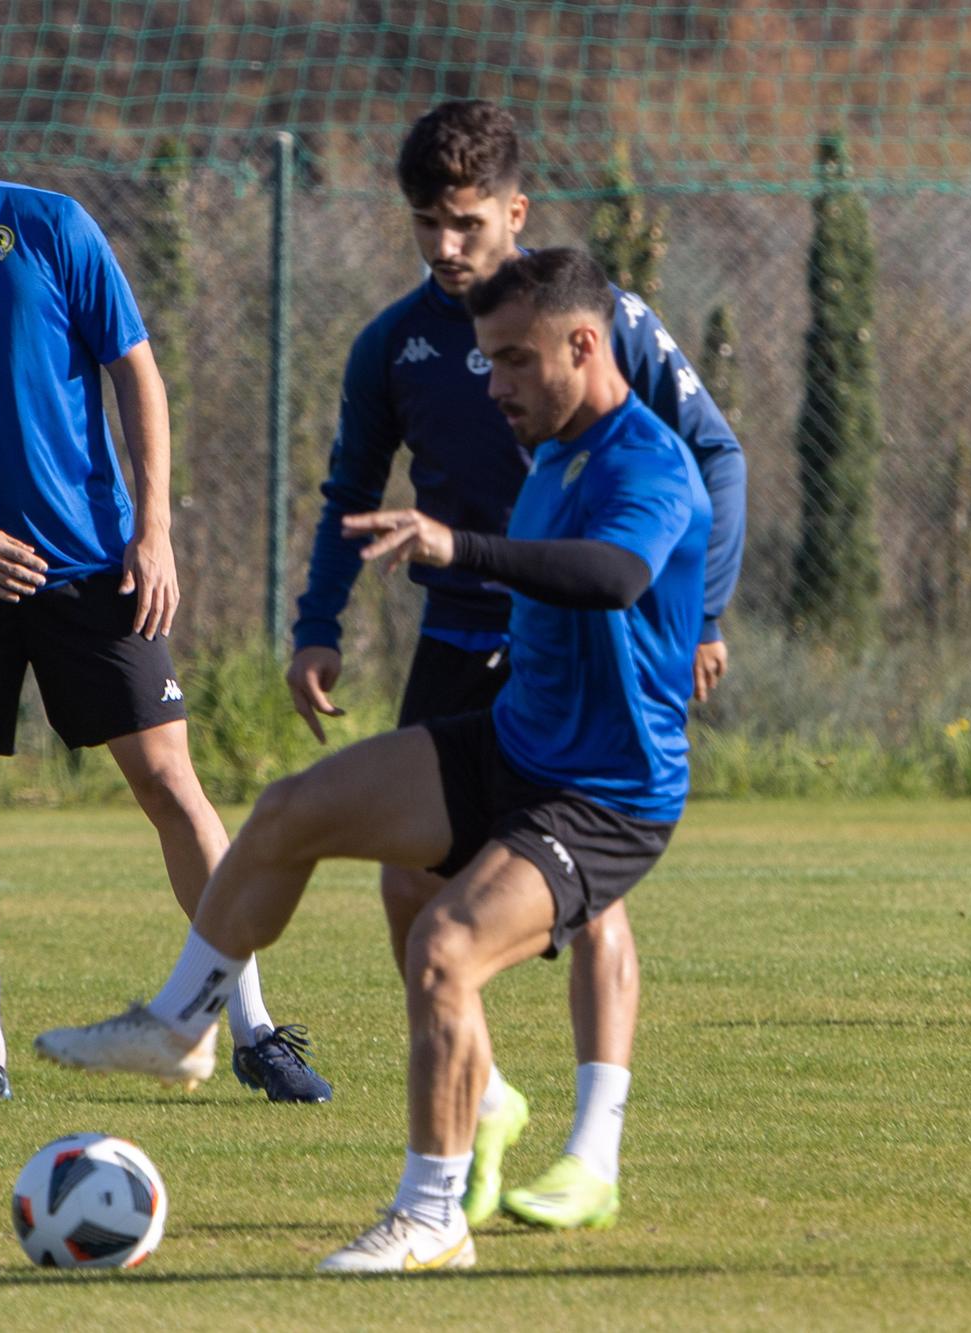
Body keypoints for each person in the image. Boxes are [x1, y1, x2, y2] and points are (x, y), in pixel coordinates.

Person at [38, 248, 711, 1273]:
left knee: (443, 947)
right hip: (513, 744)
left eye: (515, 360)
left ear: (585, 344)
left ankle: (432, 1215)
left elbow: (614, 576)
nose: (495, 386)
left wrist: (461, 548)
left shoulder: (643, 460)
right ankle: (182, 1023)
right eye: (486, 361)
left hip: (602, 797)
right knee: (291, 807)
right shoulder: (557, 448)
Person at [0, 46, 328, 1104]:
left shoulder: (49, 227)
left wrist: (154, 532)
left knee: (168, 785)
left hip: (96, 563)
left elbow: (134, 374)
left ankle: (251, 1028)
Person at [284, 100, 745, 1228]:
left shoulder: (599, 316)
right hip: (457, 637)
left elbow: (710, 452)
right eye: (422, 226)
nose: (441, 246)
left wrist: (698, 614)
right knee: (410, 880)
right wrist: (317, 619)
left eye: (462, 222)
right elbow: (349, 487)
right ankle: (480, 1091)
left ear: (512, 213)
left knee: (584, 894)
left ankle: (590, 1150)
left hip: (586, 633)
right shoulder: (393, 340)